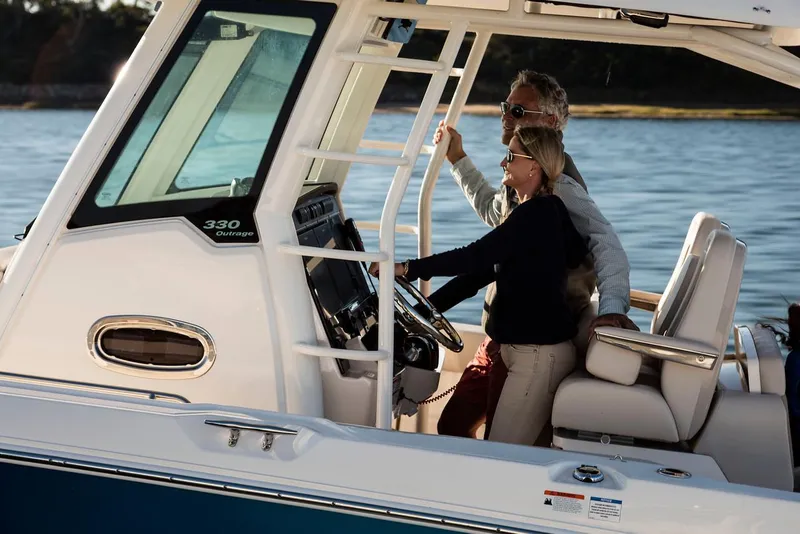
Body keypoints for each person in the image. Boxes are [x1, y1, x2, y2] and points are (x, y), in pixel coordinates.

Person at [433, 70, 636, 439]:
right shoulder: (524, 172)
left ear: (552, 122)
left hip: (534, 339)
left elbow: (607, 243)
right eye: (505, 108)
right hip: (501, 333)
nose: (507, 116)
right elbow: (497, 216)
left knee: (499, 442)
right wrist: (458, 158)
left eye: (519, 111)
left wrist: (612, 310)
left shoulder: (561, 185)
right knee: (452, 425)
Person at [371, 126, 588, 445]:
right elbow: (477, 275)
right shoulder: (533, 214)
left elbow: (474, 256)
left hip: (537, 357)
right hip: (521, 351)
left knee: (502, 455)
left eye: (511, 156)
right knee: (462, 431)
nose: (503, 162)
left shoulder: (539, 214)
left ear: (534, 166)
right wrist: (416, 315)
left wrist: (408, 268)